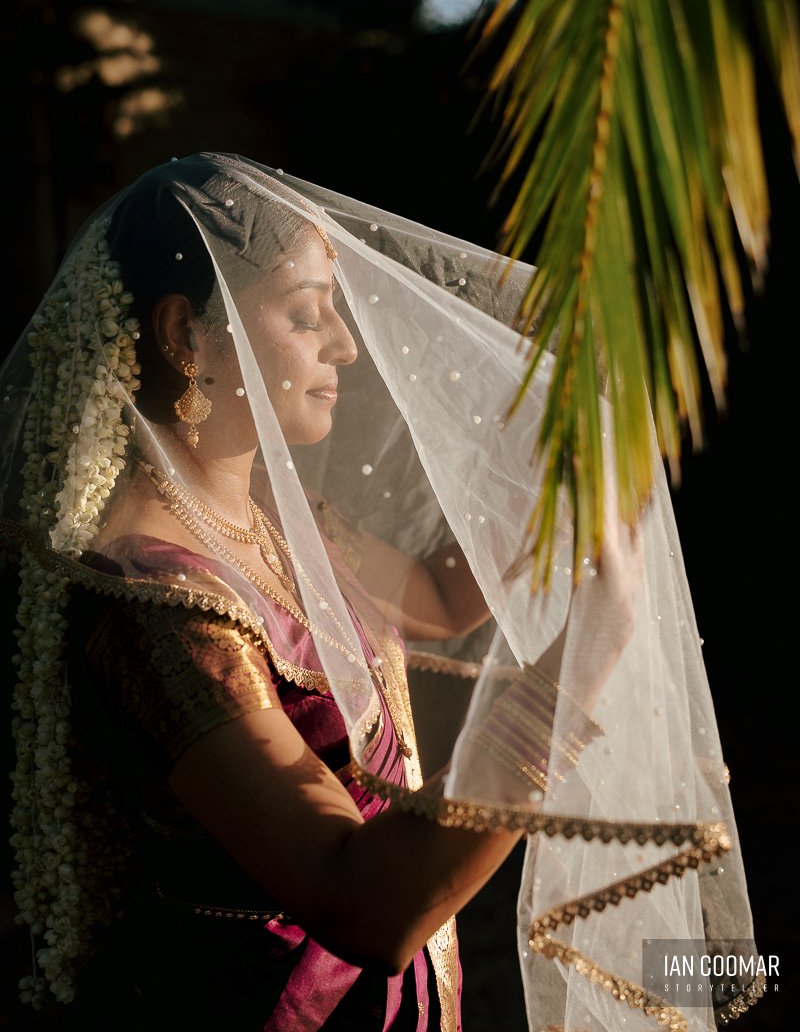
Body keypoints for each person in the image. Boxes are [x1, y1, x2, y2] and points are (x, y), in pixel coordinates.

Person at [0, 153, 761, 1031]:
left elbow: (434, 597)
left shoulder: (277, 526)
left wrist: (567, 485)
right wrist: (579, 664)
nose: (346, 345)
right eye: (305, 313)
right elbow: (363, 903)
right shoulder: (157, 606)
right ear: (185, 337)